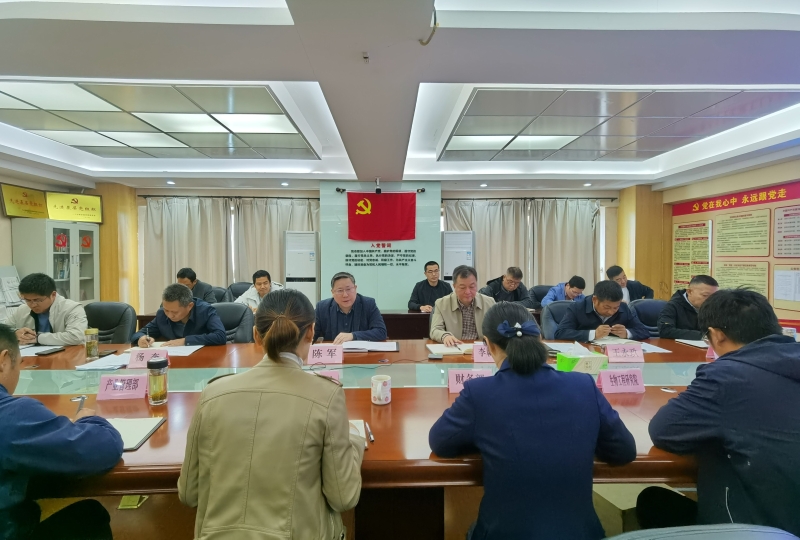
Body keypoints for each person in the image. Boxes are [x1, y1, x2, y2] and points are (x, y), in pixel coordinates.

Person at [429, 302, 636, 540]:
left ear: (488, 344)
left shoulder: (479, 393)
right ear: (539, 338)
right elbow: (624, 451)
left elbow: (440, 442)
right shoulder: (583, 385)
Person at [179, 289, 364, 539]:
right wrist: (354, 440)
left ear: (256, 335)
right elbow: (344, 497)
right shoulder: (326, 396)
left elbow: (189, 494)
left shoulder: (212, 394)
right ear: (311, 332)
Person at [638, 289, 800, 536]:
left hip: (761, 526)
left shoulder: (727, 377)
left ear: (717, 335)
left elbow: (664, 430)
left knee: (653, 502)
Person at [0, 323, 124, 540]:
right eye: (18, 363)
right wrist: (88, 420)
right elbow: (105, 447)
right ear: (3, 361)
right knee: (88, 516)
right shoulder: (12, 415)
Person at [131, 283, 226, 347]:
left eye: (175, 312)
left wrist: (185, 341)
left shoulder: (205, 310)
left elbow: (220, 336)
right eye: (166, 310)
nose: (169, 315)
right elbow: (138, 334)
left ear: (190, 306)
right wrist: (141, 338)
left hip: (203, 359)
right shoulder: (162, 314)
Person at [555, 280, 650, 341]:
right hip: (586, 355)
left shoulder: (623, 308)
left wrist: (627, 333)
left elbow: (644, 331)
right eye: (607, 307)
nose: (611, 312)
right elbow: (561, 333)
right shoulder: (577, 308)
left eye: (615, 307)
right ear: (595, 300)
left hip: (615, 354)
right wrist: (593, 334)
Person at [9, 273, 87, 346]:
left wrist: (38, 338)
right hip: (31, 353)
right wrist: (14, 333)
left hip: (67, 353)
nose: (32, 305)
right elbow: (4, 329)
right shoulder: (22, 309)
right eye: (27, 300)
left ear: (53, 295)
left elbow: (76, 336)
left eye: (37, 300)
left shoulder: (72, 308)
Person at [430, 265, 496, 347]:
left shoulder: (489, 303)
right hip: (455, 348)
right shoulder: (441, 303)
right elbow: (435, 330)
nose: (468, 292)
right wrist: (445, 336)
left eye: (472, 286)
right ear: (454, 286)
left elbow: (497, 329)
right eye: (462, 287)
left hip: (480, 349)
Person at [314, 272, 387, 344]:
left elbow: (381, 332)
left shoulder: (368, 304)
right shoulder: (322, 308)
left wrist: (353, 336)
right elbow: (311, 334)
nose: (345, 295)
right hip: (334, 350)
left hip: (361, 351)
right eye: (340, 291)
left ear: (355, 288)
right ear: (332, 292)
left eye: (348, 289)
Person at [658, 275, 719, 340]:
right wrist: (703, 336)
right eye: (705, 295)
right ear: (689, 292)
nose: (710, 300)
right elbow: (665, 330)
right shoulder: (672, 306)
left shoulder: (714, 307)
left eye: (714, 297)